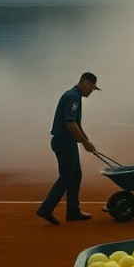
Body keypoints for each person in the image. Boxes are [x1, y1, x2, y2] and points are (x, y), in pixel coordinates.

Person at [37, 71, 100, 225]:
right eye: (91, 88)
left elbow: (76, 124)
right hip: (64, 142)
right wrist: (84, 142)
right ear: (85, 83)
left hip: (66, 142)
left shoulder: (74, 96)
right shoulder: (73, 97)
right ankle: (46, 208)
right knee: (67, 176)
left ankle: (73, 211)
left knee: (76, 175)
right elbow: (70, 123)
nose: (91, 92)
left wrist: (86, 141)